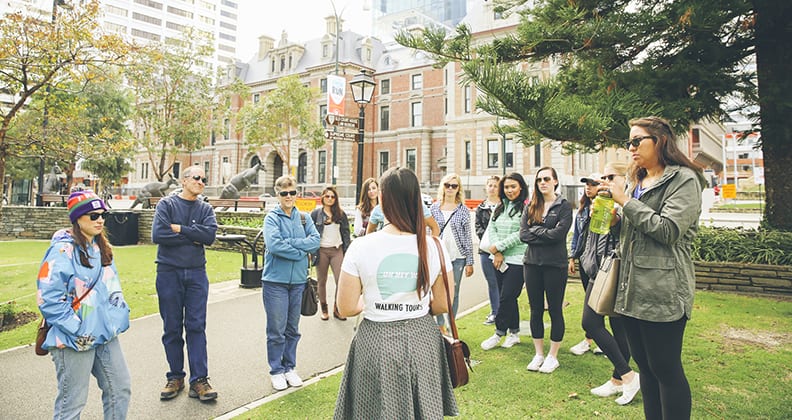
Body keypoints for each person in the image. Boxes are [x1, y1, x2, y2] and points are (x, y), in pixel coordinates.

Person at [334, 167, 458, 419]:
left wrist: (371, 302)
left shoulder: (361, 246)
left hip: (375, 340)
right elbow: (444, 303)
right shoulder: (434, 245)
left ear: (383, 200)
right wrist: (416, 305)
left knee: (372, 409)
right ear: (416, 200)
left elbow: (345, 307)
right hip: (423, 338)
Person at [607, 116, 706, 419]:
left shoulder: (684, 179)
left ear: (660, 141)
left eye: (637, 141)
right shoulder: (638, 180)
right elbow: (635, 231)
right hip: (631, 288)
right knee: (645, 368)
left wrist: (624, 200)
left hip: (663, 290)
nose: (631, 147)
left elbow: (667, 231)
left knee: (665, 367)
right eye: (629, 142)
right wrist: (616, 222)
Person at [37, 190, 131, 418]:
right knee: (72, 403)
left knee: (120, 389)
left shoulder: (101, 248)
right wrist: (76, 327)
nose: (100, 220)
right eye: (93, 215)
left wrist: (119, 314)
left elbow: (110, 288)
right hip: (74, 339)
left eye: (102, 215)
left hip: (105, 333)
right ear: (77, 218)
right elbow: (48, 298)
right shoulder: (62, 250)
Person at [152, 166, 219, 401]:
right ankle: (175, 377)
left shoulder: (205, 209)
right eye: (196, 178)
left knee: (196, 326)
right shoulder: (166, 205)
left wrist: (181, 229)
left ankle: (199, 380)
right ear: (184, 180)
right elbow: (158, 235)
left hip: (196, 274)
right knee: (171, 326)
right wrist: (194, 236)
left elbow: (209, 236)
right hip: (169, 272)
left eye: (204, 179)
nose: (201, 181)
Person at [579, 162, 641, 405]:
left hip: (614, 272)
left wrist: (616, 216)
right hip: (601, 270)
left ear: (625, 178)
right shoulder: (603, 201)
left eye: (610, 176)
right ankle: (618, 379)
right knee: (617, 328)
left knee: (591, 323)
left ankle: (628, 376)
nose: (605, 181)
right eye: (602, 176)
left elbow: (627, 236)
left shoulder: (629, 202)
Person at [262, 175, 321, 391]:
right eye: (284, 193)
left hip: (298, 282)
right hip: (275, 282)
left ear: (297, 193)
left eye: (292, 192)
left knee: (292, 329)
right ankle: (276, 370)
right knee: (276, 329)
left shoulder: (305, 218)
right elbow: (274, 245)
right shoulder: (272, 218)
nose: (289, 196)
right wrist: (300, 251)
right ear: (277, 195)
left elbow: (315, 241)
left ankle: (289, 367)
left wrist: (293, 245)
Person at [520, 167, 573, 374]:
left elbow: (558, 235)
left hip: (555, 265)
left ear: (555, 182)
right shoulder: (531, 206)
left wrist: (537, 230)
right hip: (532, 264)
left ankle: (553, 355)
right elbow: (524, 234)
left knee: (554, 309)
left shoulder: (564, 206)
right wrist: (545, 232)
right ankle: (539, 353)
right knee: (535, 309)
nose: (543, 183)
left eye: (547, 179)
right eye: (539, 179)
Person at [480, 173, 529, 351]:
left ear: (521, 187)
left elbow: (522, 234)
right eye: (506, 187)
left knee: (507, 296)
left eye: (513, 187)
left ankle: (499, 332)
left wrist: (499, 246)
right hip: (498, 259)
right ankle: (514, 333)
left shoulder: (527, 207)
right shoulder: (499, 207)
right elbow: (491, 228)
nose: (509, 190)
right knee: (508, 297)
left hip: (517, 259)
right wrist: (497, 251)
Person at [430, 173, 474, 330]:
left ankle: (451, 323)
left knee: (453, 292)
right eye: (447, 185)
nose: (450, 188)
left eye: (454, 186)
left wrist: (470, 261)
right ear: (443, 187)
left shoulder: (463, 210)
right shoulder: (434, 208)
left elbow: (468, 237)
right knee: (437, 290)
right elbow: (430, 232)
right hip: (438, 256)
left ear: (458, 189)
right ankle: (440, 324)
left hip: (458, 257)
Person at [567, 172, 601, 356]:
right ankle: (590, 339)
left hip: (601, 261)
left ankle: (598, 339)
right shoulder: (582, 210)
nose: (588, 187)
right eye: (587, 184)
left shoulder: (606, 207)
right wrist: (572, 257)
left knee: (599, 303)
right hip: (584, 260)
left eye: (593, 184)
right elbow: (577, 236)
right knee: (590, 302)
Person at [309, 185, 351, 321]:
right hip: (321, 251)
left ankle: (337, 309)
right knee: (322, 281)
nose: (330, 199)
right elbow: (310, 233)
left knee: (341, 280)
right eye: (327, 196)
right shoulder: (316, 214)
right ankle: (324, 308)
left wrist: (347, 251)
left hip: (337, 250)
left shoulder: (340, 214)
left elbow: (346, 233)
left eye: (332, 197)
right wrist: (310, 251)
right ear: (322, 197)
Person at [475, 175, 501, 325]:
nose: (492, 188)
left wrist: (499, 246)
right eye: (489, 185)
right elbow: (478, 228)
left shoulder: (504, 206)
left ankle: (505, 311)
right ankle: (494, 312)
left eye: (495, 185)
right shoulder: (481, 207)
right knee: (492, 282)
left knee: (503, 283)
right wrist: (490, 244)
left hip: (503, 251)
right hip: (486, 251)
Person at [366, 201, 441, 236]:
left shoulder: (418, 206)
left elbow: (435, 228)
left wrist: (430, 248)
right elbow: (369, 232)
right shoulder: (379, 209)